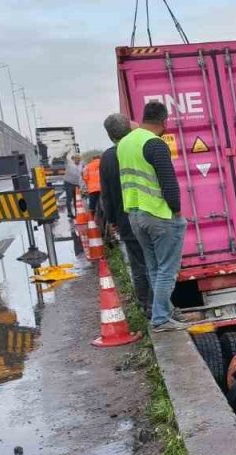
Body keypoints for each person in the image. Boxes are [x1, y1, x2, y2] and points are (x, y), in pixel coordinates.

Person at [118, 101, 187, 332]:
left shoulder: (125, 143)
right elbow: (169, 182)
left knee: (154, 267)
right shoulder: (155, 144)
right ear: (164, 121)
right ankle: (160, 319)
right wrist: (176, 210)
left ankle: (161, 314)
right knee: (167, 268)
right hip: (158, 214)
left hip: (135, 214)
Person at [97, 114, 152, 314]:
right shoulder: (140, 147)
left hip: (125, 218)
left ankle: (146, 306)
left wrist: (111, 220)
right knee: (155, 263)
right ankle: (160, 305)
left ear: (110, 136)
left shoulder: (108, 157)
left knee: (138, 264)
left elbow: (107, 195)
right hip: (150, 213)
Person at [83, 154, 103, 230]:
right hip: (102, 188)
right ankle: (105, 217)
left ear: (92, 159)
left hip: (92, 189)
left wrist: (88, 183)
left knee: (92, 204)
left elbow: (85, 177)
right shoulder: (102, 164)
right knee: (103, 202)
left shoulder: (88, 166)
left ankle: (91, 218)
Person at [63, 153, 83, 219]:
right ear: (74, 159)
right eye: (77, 159)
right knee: (69, 198)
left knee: (76, 199)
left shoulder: (81, 165)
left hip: (76, 184)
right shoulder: (70, 164)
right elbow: (66, 160)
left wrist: (81, 185)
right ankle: (69, 212)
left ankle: (77, 213)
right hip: (68, 183)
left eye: (79, 159)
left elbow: (81, 175)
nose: (78, 160)